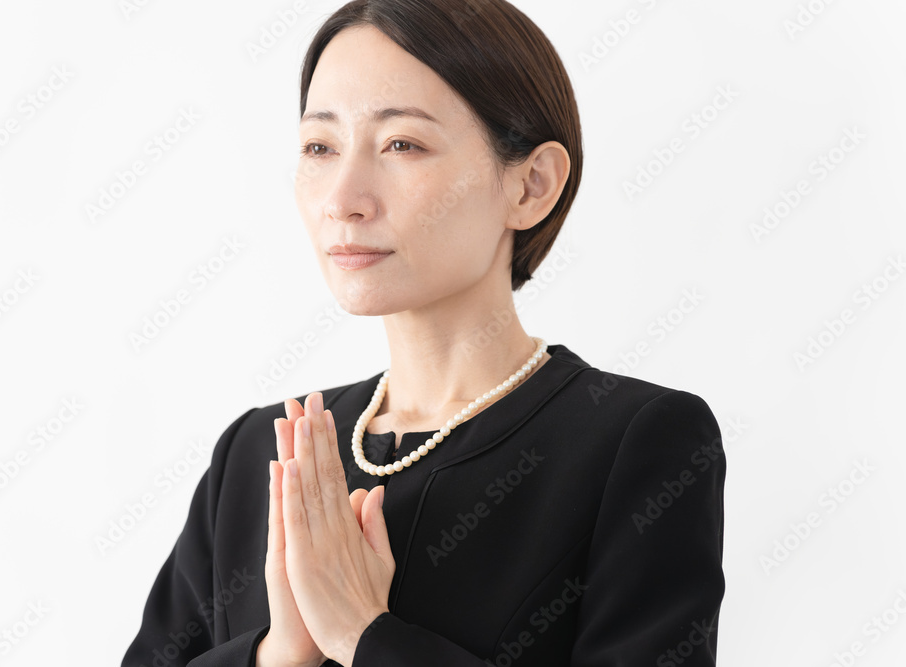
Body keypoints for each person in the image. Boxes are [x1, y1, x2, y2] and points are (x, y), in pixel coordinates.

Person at [120, 1, 726, 665]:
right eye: (320, 147)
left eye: (401, 144)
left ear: (531, 185)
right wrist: (278, 654)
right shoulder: (255, 454)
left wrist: (362, 634)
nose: (343, 198)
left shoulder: (634, 442)